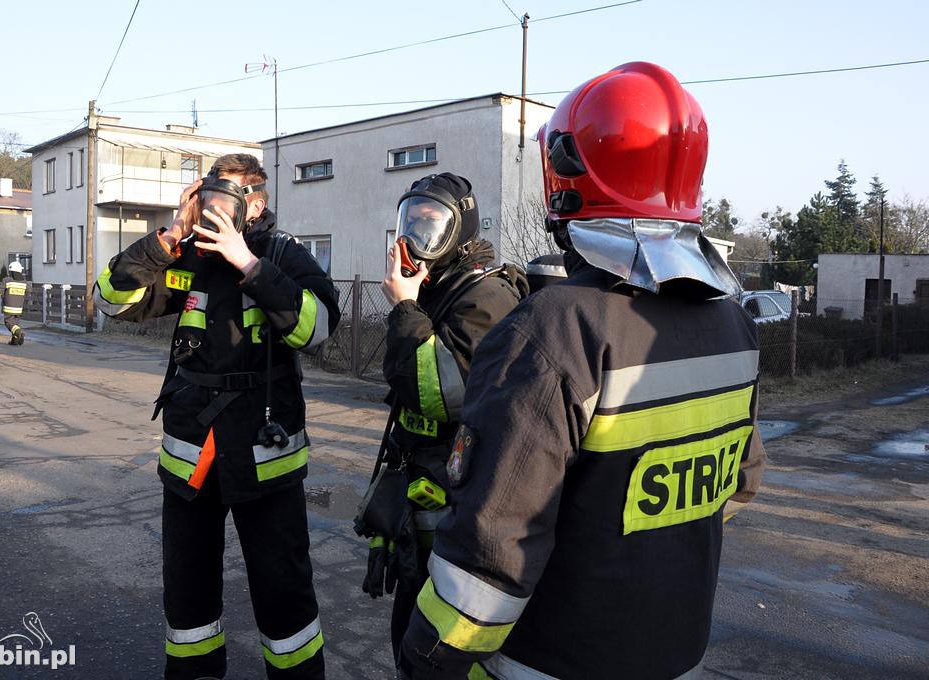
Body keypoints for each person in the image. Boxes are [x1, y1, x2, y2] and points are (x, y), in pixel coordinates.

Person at [399, 62, 767, 680]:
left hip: (552, 658)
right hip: (679, 654)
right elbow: (736, 484)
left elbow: (493, 548)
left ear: (567, 174)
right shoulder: (733, 324)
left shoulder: (556, 328)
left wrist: (425, 656)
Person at [93, 153, 338, 680]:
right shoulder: (185, 256)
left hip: (263, 459)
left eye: (231, 195)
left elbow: (318, 330)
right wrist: (168, 238)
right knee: (188, 598)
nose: (218, 207)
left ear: (257, 202)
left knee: (284, 597)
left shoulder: (282, 253)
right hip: (192, 458)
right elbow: (110, 300)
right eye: (211, 195)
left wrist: (250, 265)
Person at [355, 173, 527, 665]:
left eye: (430, 225)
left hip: (455, 489)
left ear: (460, 232)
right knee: (411, 611)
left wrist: (406, 306)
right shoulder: (437, 285)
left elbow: (440, 393)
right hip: (421, 478)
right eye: (410, 223)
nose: (415, 238)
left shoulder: (484, 296)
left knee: (434, 625)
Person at [0, 261, 28, 345]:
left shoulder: (6, 280)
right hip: (19, 308)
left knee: (9, 323)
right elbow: (29, 291)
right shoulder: (24, 282)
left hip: (8, 308)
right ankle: (15, 340)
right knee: (15, 323)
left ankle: (19, 332)